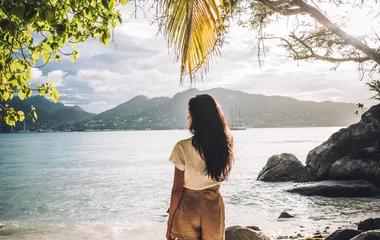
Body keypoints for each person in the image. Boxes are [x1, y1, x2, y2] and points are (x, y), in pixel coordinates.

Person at [166, 94, 234, 240]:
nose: (188, 117)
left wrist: (170, 221)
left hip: (187, 208)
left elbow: (177, 190)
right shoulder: (224, 144)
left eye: (190, 113)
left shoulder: (182, 147)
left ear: (198, 118)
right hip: (213, 207)